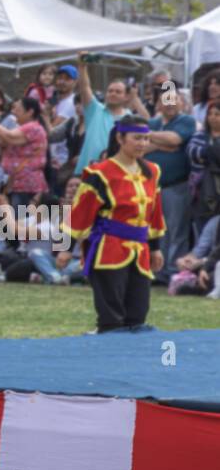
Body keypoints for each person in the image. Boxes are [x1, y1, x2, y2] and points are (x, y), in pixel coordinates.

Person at [66, 116, 165, 332]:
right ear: (120, 138)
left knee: (138, 313)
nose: (142, 143)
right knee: (111, 316)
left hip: (140, 251)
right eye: (137, 138)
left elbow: (154, 213)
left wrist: (156, 248)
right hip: (108, 249)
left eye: (146, 139)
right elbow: (80, 214)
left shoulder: (152, 172)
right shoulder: (99, 173)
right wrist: (65, 249)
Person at [146, 90, 197, 277]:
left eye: (174, 100)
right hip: (153, 188)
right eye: (165, 100)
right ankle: (158, 272)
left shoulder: (186, 121)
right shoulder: (152, 123)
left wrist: (150, 136)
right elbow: (141, 147)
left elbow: (175, 139)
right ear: (158, 104)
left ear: (182, 103)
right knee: (157, 231)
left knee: (177, 231)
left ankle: (173, 272)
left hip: (177, 186)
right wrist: (163, 144)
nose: (169, 104)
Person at [0, 96, 48, 210]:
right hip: (16, 183)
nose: (13, 112)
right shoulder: (23, 127)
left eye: (18, 109)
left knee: (19, 222)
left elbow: (9, 137)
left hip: (26, 186)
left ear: (30, 112)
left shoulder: (33, 128)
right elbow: (4, 139)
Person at [75, 53, 131, 174]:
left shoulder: (131, 118)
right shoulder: (95, 109)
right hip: (88, 171)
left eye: (118, 92)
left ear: (126, 97)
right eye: (110, 91)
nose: (113, 94)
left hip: (116, 173)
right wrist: (82, 67)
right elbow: (85, 87)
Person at [187, 99, 220, 242]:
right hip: (201, 190)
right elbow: (192, 153)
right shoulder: (200, 135)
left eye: (217, 114)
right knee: (201, 230)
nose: (213, 117)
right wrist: (212, 153)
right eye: (210, 114)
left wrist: (207, 155)